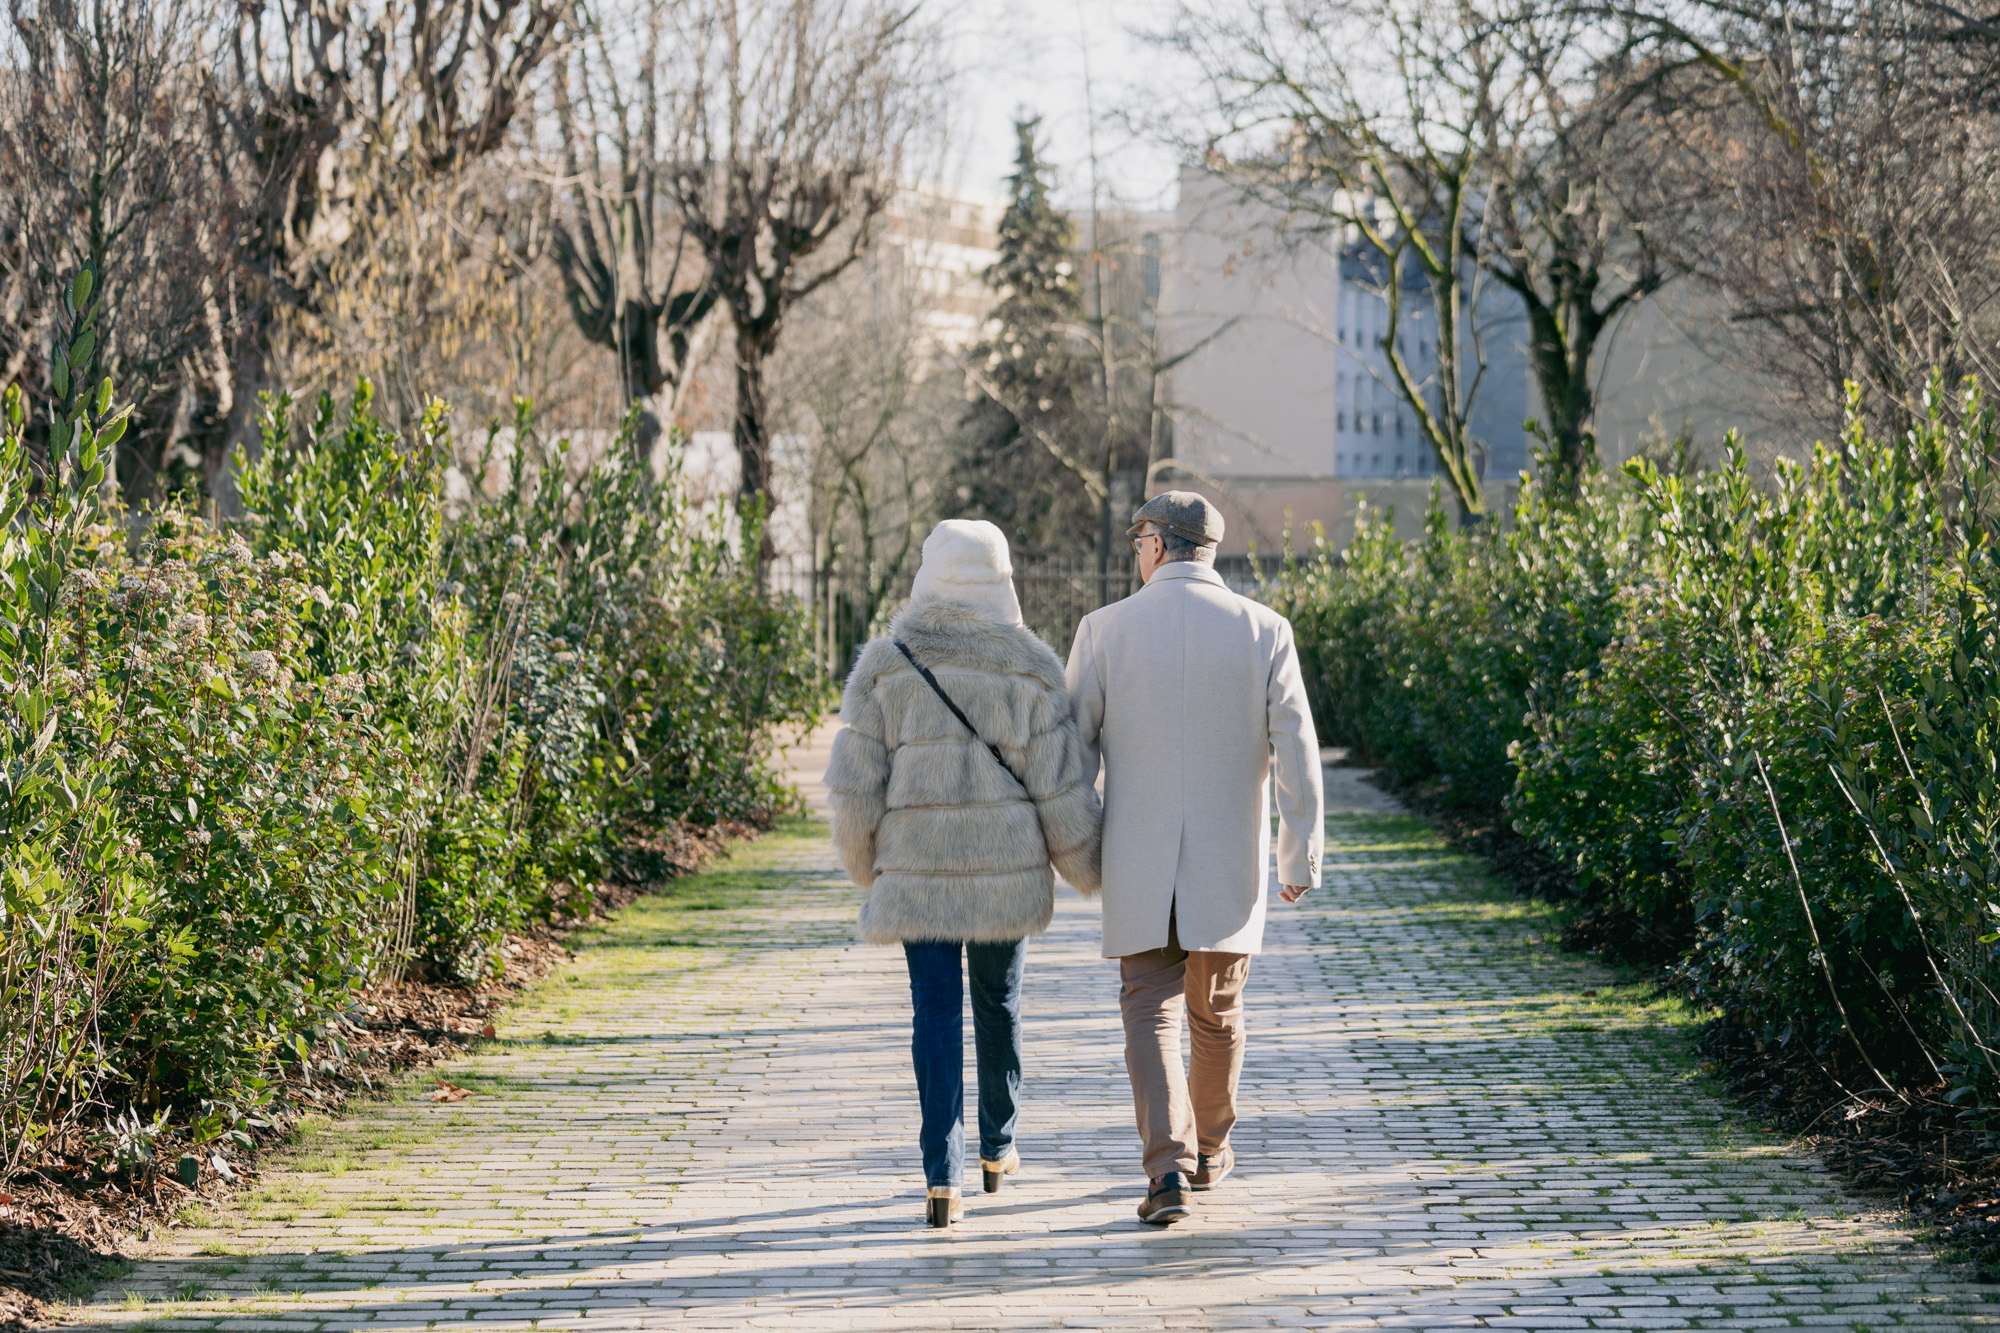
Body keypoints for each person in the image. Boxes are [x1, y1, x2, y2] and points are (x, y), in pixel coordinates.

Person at [824, 518, 1103, 1229]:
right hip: (1005, 871)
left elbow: (854, 784)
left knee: (934, 1011)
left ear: (928, 576)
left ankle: (939, 1172)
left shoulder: (887, 664)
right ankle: (997, 1146)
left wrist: (864, 862)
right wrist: (1087, 864)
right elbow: (1060, 785)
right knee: (999, 1005)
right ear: (1002, 580)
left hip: (918, 871)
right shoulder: (1030, 665)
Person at [1066, 492, 1324, 1226]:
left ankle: (1166, 1173)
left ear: (1156, 544)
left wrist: (1076, 847)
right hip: (1228, 857)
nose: (1136, 553)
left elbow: (1071, 755)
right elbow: (1296, 747)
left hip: (1138, 856)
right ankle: (1209, 1150)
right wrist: (1298, 854)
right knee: (1217, 1009)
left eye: (1138, 542)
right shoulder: (1265, 630)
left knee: (1149, 1007)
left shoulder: (1104, 628)